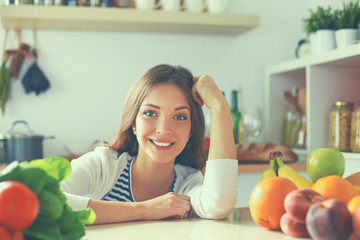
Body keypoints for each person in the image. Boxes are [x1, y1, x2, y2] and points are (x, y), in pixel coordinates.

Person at [60, 64, 238, 224]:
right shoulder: (102, 166)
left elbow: (219, 204)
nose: (163, 129)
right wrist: (145, 209)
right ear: (134, 122)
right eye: (151, 113)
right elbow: (47, 200)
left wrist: (219, 105)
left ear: (191, 131)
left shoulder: (188, 183)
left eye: (179, 117)